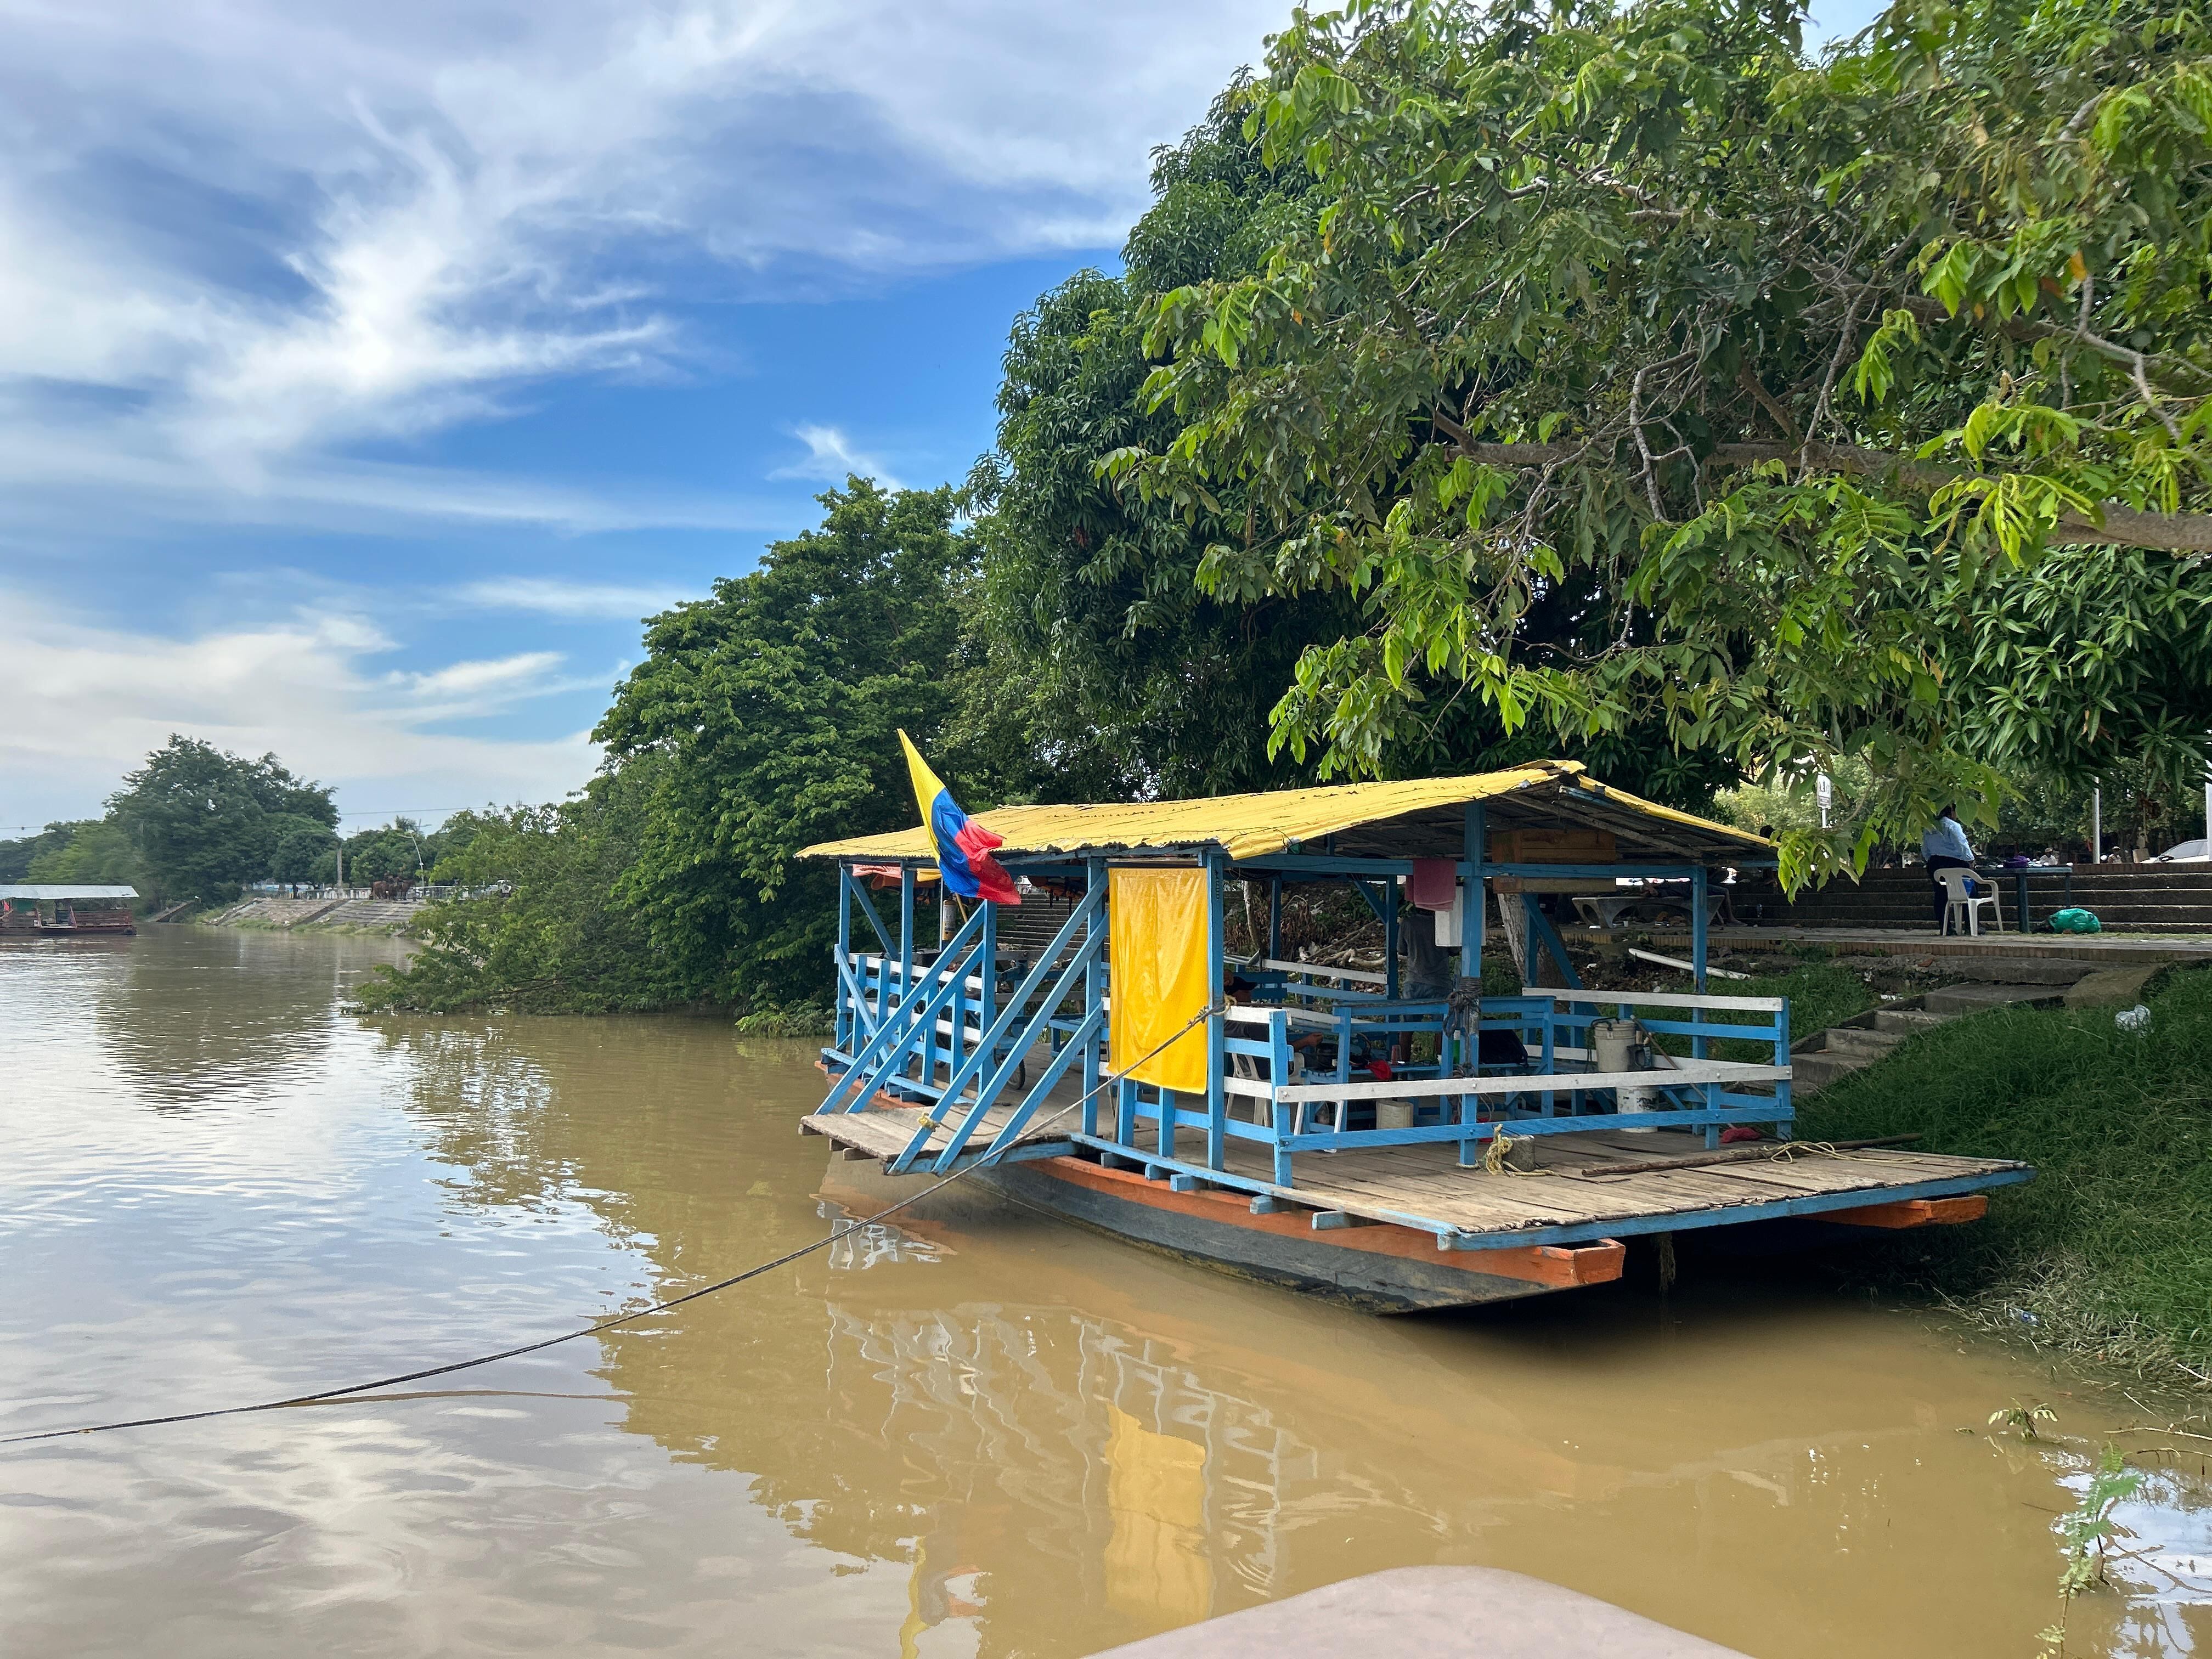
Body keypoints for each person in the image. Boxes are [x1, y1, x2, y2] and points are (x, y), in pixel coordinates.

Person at [1921, 807, 1977, 931]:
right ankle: (1971, 925)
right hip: (1955, 863)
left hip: (1936, 864)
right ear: (1951, 812)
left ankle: (1945, 927)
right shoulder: (1952, 826)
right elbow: (1962, 845)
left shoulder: (1928, 828)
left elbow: (1925, 849)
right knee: (1969, 891)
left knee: (1940, 896)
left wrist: (1931, 860)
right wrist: (1971, 861)